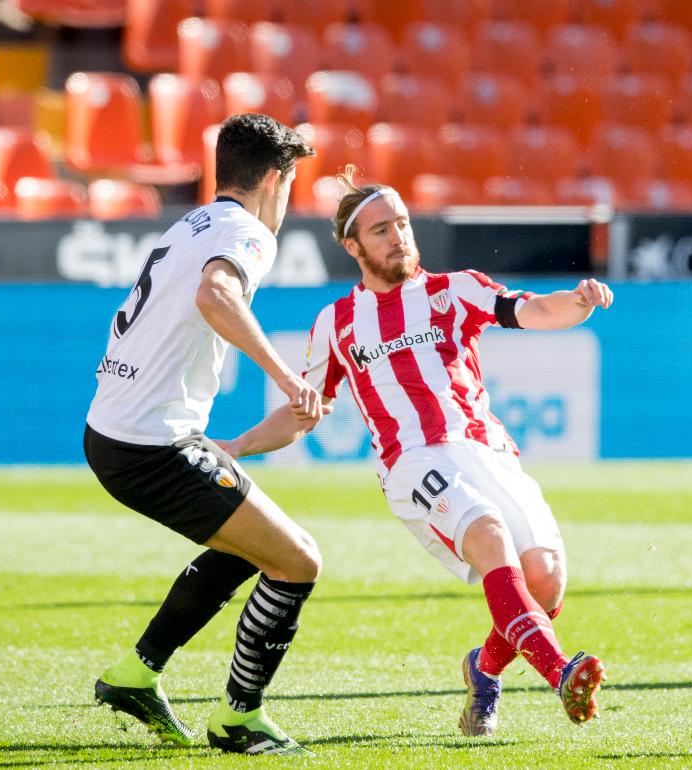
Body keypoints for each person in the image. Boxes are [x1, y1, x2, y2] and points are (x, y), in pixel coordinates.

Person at [222, 166, 611, 737]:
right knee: (488, 536)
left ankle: (483, 669)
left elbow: (530, 309)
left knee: (546, 580)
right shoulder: (336, 323)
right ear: (353, 245)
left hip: (487, 450)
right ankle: (562, 674)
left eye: (402, 223)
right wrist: (237, 446)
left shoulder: (456, 289)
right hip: (413, 462)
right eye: (381, 230)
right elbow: (305, 410)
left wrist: (579, 301)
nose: (398, 236)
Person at [83, 113, 328, 755]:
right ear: (275, 179)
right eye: (292, 183)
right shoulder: (246, 231)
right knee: (297, 560)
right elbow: (215, 296)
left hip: (118, 432)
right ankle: (239, 719)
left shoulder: (191, 223)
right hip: (150, 442)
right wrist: (284, 375)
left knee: (251, 545)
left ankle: (137, 675)